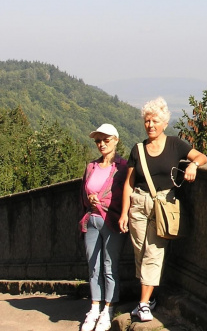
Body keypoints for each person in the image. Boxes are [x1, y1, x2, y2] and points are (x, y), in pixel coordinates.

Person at [119, 97, 207, 322]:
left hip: (163, 206)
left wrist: (193, 166)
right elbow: (129, 184)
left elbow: (200, 156)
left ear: (165, 123)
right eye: (147, 121)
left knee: (154, 253)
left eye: (155, 121)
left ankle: (143, 304)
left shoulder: (176, 145)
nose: (150, 125)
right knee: (140, 252)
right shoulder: (137, 149)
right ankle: (150, 296)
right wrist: (123, 213)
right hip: (139, 205)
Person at [79, 124, 128, 331]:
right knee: (93, 267)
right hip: (91, 220)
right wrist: (90, 200)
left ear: (115, 140)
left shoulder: (123, 167)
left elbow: (126, 194)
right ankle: (95, 307)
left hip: (112, 221)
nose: (101, 144)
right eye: (98, 140)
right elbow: (83, 192)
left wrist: (102, 203)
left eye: (106, 140)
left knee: (109, 266)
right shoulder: (91, 166)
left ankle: (108, 309)